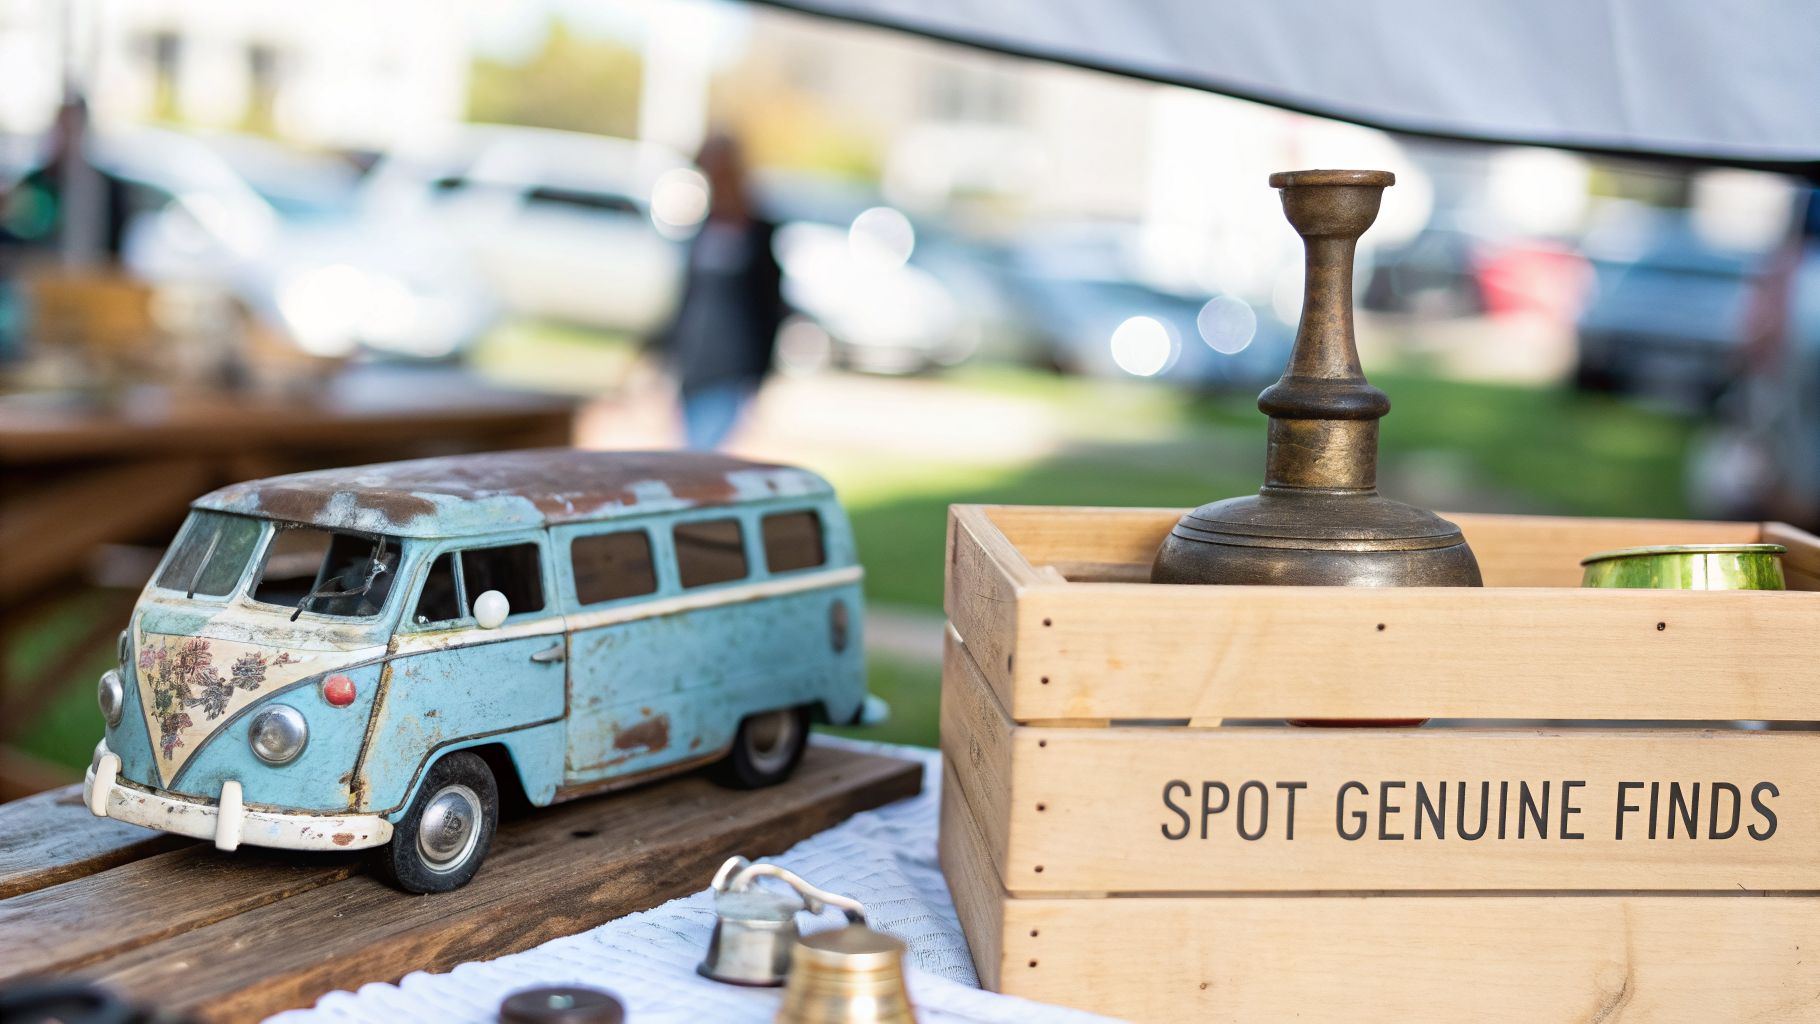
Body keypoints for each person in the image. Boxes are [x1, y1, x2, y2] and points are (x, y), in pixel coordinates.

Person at [652, 133, 787, 450]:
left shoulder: (757, 230)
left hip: (732, 358)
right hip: (695, 357)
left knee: (703, 450)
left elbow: (770, 303)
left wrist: (761, 371)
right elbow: (686, 298)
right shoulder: (702, 225)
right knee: (687, 447)